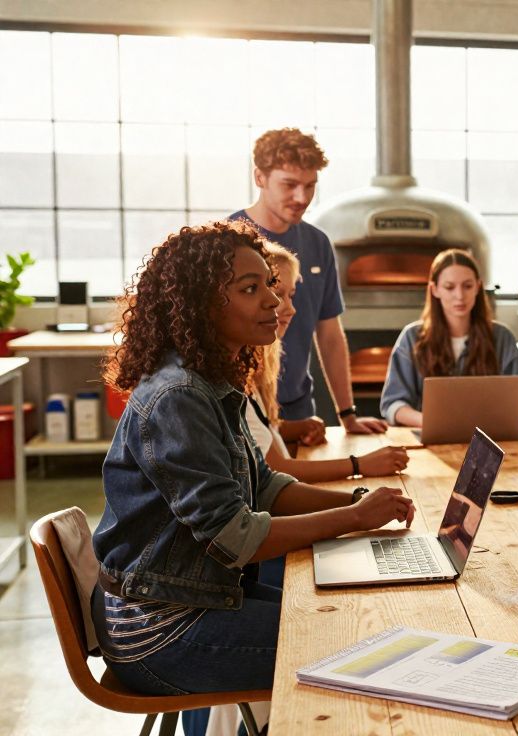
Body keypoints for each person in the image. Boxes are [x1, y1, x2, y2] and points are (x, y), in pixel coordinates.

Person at [90, 220, 415, 703]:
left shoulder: (210, 380)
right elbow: (235, 538)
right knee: (374, 650)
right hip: (158, 632)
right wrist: (351, 518)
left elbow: (265, 487)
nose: (273, 301)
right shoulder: (178, 395)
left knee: (370, 623)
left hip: (190, 600)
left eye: (270, 284)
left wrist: (361, 503)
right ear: (201, 305)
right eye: (250, 288)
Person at [231, 127, 386, 438]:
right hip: (241, 408)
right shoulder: (228, 242)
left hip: (299, 407)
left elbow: (329, 332)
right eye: (289, 185)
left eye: (310, 186)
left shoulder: (318, 244)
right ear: (259, 177)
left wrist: (348, 414)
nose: (302, 197)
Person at [248, 243, 410, 482]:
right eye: (277, 294)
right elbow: (276, 472)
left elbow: (256, 433)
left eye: (290, 295)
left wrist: (295, 428)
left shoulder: (255, 370)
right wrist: (360, 464)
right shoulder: (236, 382)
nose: (290, 309)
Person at [379, 249, 518, 427]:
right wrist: (433, 423)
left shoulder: (502, 337)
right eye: (449, 287)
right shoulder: (412, 337)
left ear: (478, 288)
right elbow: (393, 404)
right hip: (428, 439)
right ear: (434, 290)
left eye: (467, 286)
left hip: (488, 439)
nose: (459, 296)